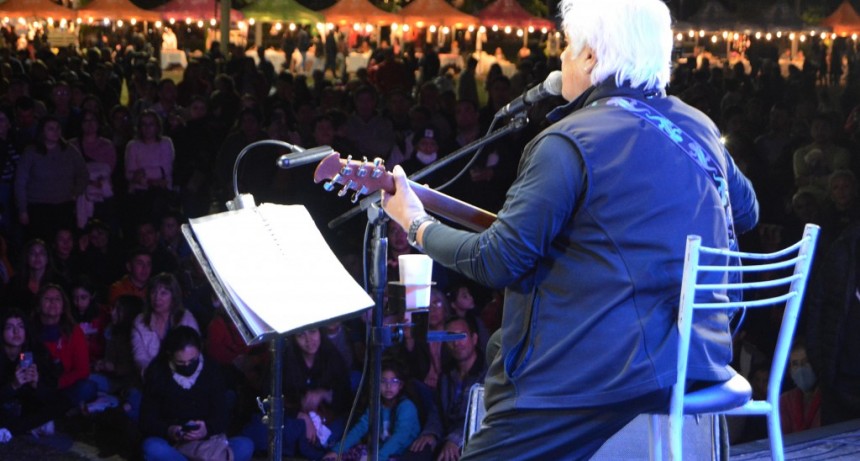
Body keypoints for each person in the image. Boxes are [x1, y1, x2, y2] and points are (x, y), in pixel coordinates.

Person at [381, 0, 759, 457]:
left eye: (567, 45)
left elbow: (496, 261)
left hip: (603, 372)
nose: (560, 57)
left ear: (590, 57)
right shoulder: (697, 126)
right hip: (698, 357)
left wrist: (414, 222)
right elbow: (748, 211)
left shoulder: (568, 141)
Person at [140, 326, 254, 461]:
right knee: (152, 447)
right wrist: (170, 430)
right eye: (181, 362)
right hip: (175, 448)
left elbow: (222, 415)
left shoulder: (211, 369)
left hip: (208, 446)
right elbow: (147, 419)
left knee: (245, 445)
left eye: (192, 361)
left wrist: (206, 429)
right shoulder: (157, 372)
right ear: (170, 355)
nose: (187, 365)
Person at [324, 361, 421, 461]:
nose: (388, 386)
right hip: (380, 451)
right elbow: (360, 428)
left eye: (394, 381)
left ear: (401, 385)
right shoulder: (376, 405)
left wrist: (378, 457)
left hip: (402, 454)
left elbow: (400, 436)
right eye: (383, 381)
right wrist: (337, 451)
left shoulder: (406, 406)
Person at [131, 272, 199, 376]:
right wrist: (154, 377)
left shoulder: (186, 318)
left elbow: (194, 354)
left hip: (183, 376)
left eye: (163, 293)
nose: (157, 297)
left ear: (173, 297)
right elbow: (140, 358)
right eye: (154, 292)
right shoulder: (140, 321)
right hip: (150, 379)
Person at [779, 339, 821, 434]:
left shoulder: (830, 398)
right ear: (789, 370)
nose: (801, 368)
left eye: (806, 362)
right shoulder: (785, 401)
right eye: (795, 364)